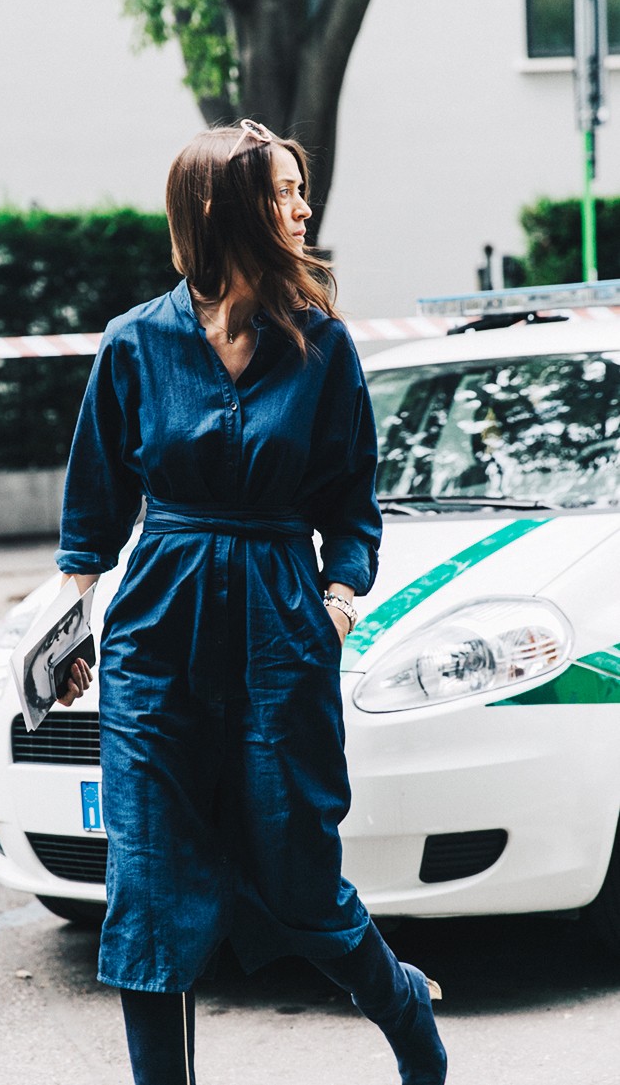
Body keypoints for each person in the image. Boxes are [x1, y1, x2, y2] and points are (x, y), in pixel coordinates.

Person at [56, 119, 447, 1085]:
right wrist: (68, 623)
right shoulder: (133, 345)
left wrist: (339, 604)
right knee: (147, 886)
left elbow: (353, 507)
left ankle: (402, 1006)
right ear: (226, 209)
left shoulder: (323, 348)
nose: (302, 207)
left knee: (298, 879)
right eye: (283, 191)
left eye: (299, 189)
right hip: (156, 635)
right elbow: (92, 512)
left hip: (281, 631)